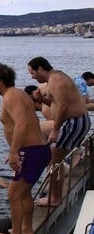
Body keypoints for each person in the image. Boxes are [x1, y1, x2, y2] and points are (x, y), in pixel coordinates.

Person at [0, 63, 51, 234]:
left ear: (1, 81)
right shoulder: (17, 93)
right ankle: (26, 228)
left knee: (13, 194)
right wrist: (15, 150)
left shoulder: (11, 97)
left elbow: (21, 124)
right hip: (36, 150)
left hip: (31, 151)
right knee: (23, 193)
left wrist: (14, 151)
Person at [27, 57, 91, 206]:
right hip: (75, 121)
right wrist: (42, 100)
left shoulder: (55, 80)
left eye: (32, 73)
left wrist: (55, 130)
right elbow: (56, 104)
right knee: (55, 160)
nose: (32, 77)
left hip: (73, 122)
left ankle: (55, 198)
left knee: (53, 161)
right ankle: (54, 195)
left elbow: (63, 106)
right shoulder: (55, 79)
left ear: (41, 69)